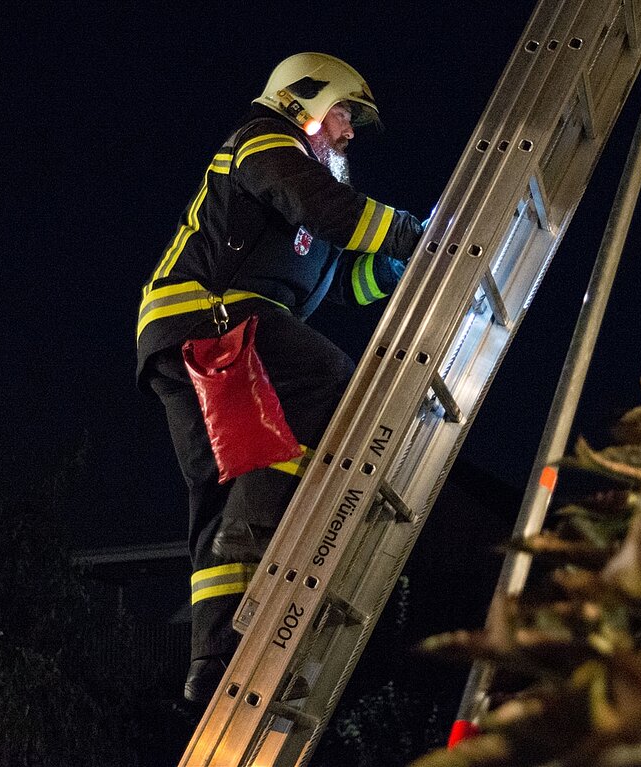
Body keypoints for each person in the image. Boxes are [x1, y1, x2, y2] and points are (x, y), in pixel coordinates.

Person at [135, 52, 425, 711]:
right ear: (302, 99)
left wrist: (396, 270)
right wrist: (419, 235)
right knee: (325, 378)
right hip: (211, 316)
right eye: (345, 113)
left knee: (220, 490)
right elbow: (331, 211)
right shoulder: (265, 141)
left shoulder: (300, 191)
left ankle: (210, 663)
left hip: (185, 331)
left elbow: (344, 282)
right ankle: (259, 526)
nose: (350, 133)